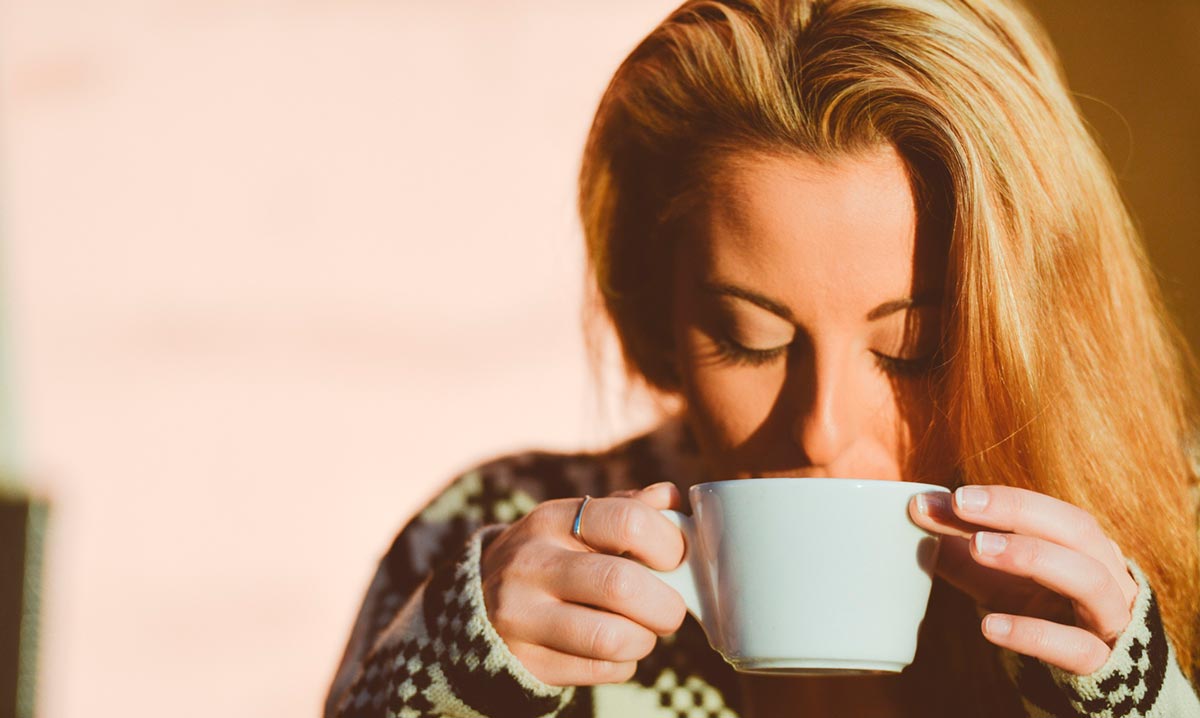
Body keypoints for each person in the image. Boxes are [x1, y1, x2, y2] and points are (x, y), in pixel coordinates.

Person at [324, 0, 1200, 715]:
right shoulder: (494, 531)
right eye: (753, 340)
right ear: (660, 314)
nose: (820, 430)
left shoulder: (1176, 529)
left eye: (913, 350)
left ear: (1037, 325)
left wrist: (1145, 699)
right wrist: (442, 690)